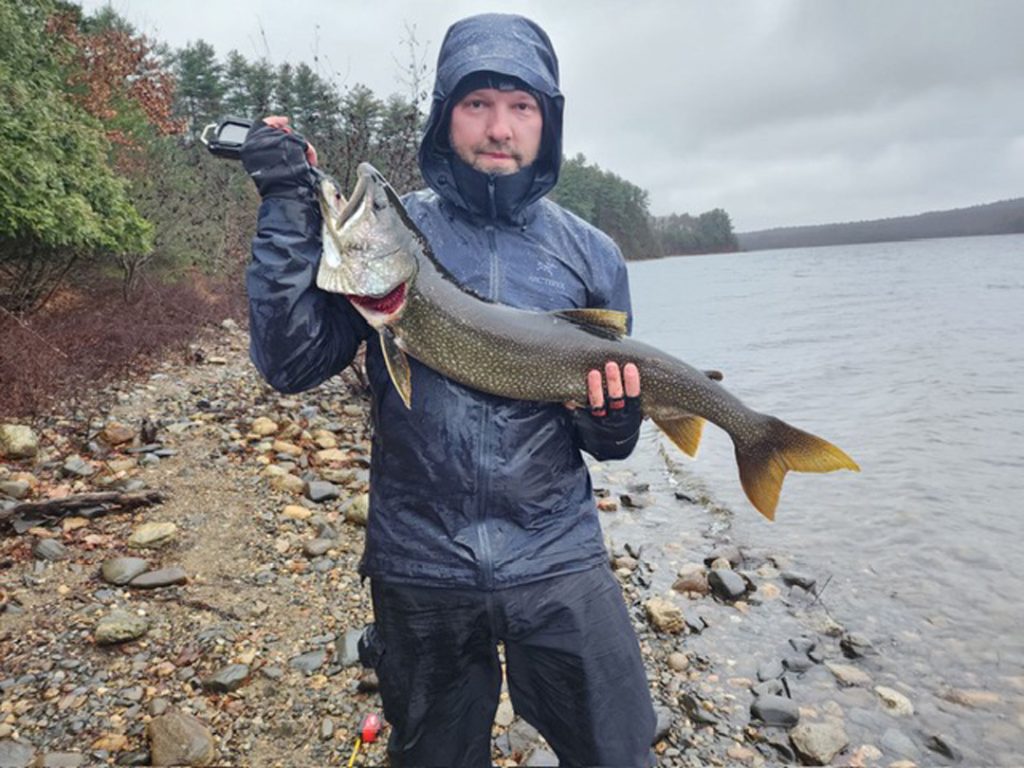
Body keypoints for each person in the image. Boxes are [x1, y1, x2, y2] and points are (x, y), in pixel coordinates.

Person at [241, 12, 657, 767]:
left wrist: (617, 422)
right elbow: (289, 363)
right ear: (445, 116)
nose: (499, 128)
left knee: (620, 751)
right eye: (477, 104)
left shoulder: (592, 253)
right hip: (418, 563)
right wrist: (284, 209)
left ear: (547, 121)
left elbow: (607, 443)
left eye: (521, 106)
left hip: (558, 556)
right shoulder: (395, 245)